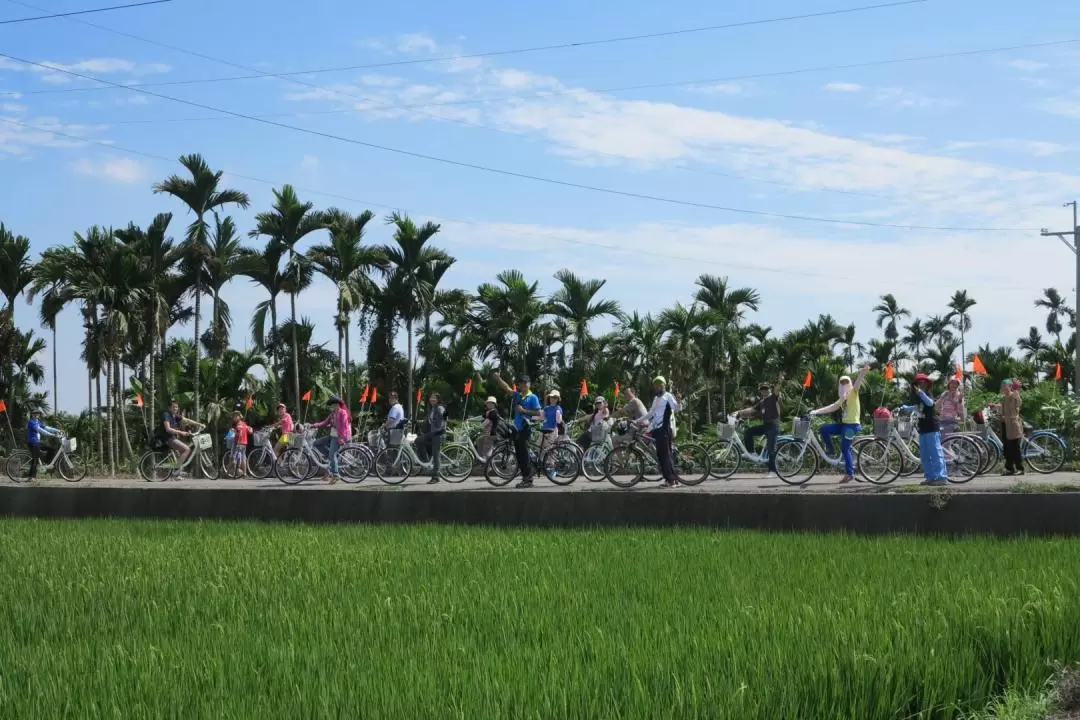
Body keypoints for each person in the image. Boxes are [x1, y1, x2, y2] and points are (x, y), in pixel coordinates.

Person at [808, 366, 870, 484]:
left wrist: (861, 374)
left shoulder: (853, 393)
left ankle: (850, 474)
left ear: (850, 383)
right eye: (842, 382)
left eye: (846, 381)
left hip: (852, 426)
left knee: (845, 448)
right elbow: (832, 407)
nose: (844, 383)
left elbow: (857, 385)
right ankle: (831, 450)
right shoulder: (842, 399)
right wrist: (815, 412)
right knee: (824, 429)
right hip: (844, 425)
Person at [492, 371, 542, 488]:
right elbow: (507, 388)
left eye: (525, 383)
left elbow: (538, 412)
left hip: (525, 429)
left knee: (524, 455)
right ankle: (525, 477)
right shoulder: (518, 395)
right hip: (516, 429)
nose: (523, 385)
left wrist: (524, 411)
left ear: (529, 384)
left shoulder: (532, 397)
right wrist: (498, 379)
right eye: (521, 383)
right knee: (519, 455)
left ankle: (528, 480)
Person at [899, 373, 948, 486]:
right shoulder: (919, 399)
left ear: (927, 385)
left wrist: (921, 393)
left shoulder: (926, 395)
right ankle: (930, 477)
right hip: (923, 429)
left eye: (923, 383)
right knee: (925, 455)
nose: (921, 385)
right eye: (918, 383)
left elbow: (930, 403)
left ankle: (941, 477)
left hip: (931, 428)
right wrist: (905, 408)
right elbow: (917, 408)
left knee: (935, 453)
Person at [735, 375, 784, 477]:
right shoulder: (762, 402)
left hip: (773, 426)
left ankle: (773, 471)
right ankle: (752, 452)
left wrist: (780, 380)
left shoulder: (773, 398)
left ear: (769, 389)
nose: (764, 391)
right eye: (762, 389)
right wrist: (738, 412)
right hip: (766, 425)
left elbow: (777, 389)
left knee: (771, 448)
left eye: (766, 388)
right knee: (748, 431)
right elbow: (751, 410)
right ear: (760, 391)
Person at [638, 375, 682, 488]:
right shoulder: (656, 398)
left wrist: (679, 400)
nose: (658, 386)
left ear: (664, 385)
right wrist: (637, 420)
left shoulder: (668, 396)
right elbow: (651, 413)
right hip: (656, 429)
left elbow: (676, 409)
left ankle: (673, 480)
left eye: (660, 384)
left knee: (666, 455)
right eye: (656, 385)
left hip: (665, 429)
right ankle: (668, 479)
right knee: (661, 455)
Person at [312, 395, 351, 483]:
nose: (333, 406)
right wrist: (313, 425)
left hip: (338, 437)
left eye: (334, 405)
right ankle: (329, 455)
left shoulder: (343, 412)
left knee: (332, 455)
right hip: (332, 436)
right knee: (316, 443)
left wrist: (342, 438)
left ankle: (336, 474)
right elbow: (324, 423)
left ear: (338, 405)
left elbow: (344, 427)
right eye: (332, 405)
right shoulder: (332, 414)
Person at [159, 399, 200, 478]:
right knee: (187, 449)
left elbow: (187, 420)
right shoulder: (166, 415)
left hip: (172, 438)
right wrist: (181, 432)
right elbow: (168, 429)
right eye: (173, 407)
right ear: (169, 408)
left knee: (181, 452)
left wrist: (199, 424)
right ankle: (176, 470)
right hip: (167, 438)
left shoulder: (175, 416)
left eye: (177, 407)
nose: (175, 409)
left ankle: (177, 471)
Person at [995, 378, 1025, 476]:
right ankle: (1009, 468)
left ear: (1010, 387)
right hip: (1005, 424)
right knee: (1007, 448)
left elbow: (1018, 403)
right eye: (1002, 386)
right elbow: (1003, 409)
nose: (1003, 388)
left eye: (1005, 386)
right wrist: (994, 406)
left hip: (1013, 424)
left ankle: (1020, 468)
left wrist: (1016, 389)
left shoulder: (1014, 395)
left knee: (1015, 447)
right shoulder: (1004, 398)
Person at [418, 392, 447, 484]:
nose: (432, 399)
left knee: (436, 455)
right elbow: (431, 421)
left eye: (434, 398)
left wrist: (441, 428)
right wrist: (418, 421)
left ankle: (436, 476)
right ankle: (426, 462)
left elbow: (444, 418)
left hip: (438, 434)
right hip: (433, 433)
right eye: (431, 398)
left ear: (438, 399)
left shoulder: (440, 408)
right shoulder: (433, 408)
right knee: (418, 441)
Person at [25, 409, 60, 481]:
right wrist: (51, 434)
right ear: (32, 414)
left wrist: (57, 430)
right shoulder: (31, 422)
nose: (37, 414)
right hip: (33, 442)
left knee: (51, 449)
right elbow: (40, 430)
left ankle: (46, 464)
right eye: (35, 413)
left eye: (38, 413)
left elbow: (46, 428)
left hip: (37, 442)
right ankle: (32, 477)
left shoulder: (38, 422)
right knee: (35, 459)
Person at [540, 390, 564, 481]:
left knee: (551, 450)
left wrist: (558, 415)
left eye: (555, 398)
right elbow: (542, 418)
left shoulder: (558, 408)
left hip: (553, 431)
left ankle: (553, 469)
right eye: (551, 397)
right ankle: (544, 468)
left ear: (558, 399)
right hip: (544, 430)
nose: (552, 399)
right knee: (539, 448)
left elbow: (559, 421)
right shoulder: (546, 408)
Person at [231, 411, 251, 477]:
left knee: (235, 457)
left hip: (239, 443)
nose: (234, 418)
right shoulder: (244, 424)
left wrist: (234, 431)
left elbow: (239, 434)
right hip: (244, 443)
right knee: (243, 457)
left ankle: (235, 472)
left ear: (239, 417)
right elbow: (250, 431)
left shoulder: (238, 425)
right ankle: (245, 473)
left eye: (236, 416)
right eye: (234, 416)